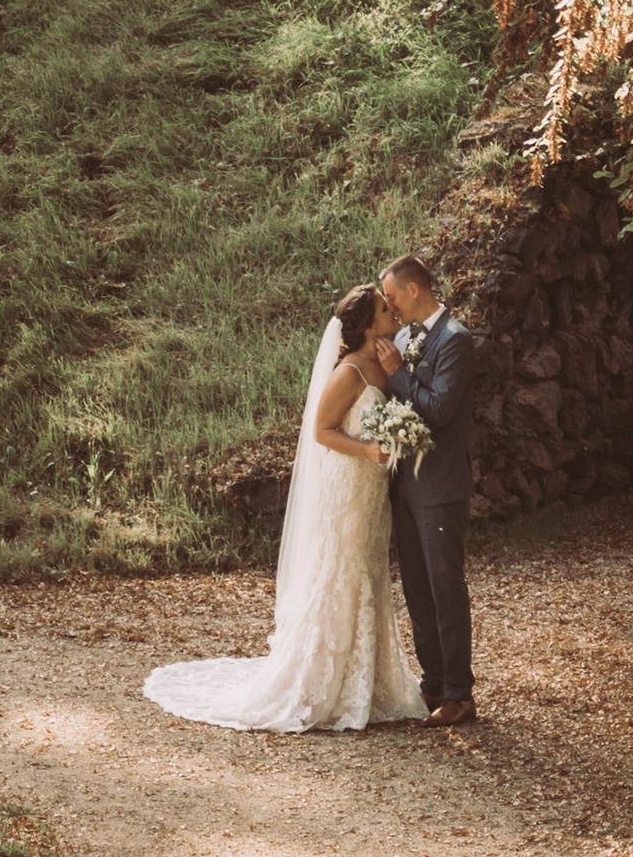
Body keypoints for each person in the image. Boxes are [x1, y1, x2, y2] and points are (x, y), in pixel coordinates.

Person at [142, 285, 428, 733]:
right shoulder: (350, 371)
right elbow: (322, 431)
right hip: (349, 484)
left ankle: (367, 682)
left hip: (373, 491)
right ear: (369, 325)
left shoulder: (386, 361)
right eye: (384, 307)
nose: (393, 310)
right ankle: (320, 684)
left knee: (369, 568)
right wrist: (368, 449)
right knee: (341, 570)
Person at [375, 253, 480, 725]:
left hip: (440, 484)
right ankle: (433, 681)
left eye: (392, 296)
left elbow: (438, 409)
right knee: (417, 589)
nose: (389, 305)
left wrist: (399, 373)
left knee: (445, 587)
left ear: (414, 289)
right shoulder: (401, 337)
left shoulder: (455, 340)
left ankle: (461, 693)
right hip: (406, 487)